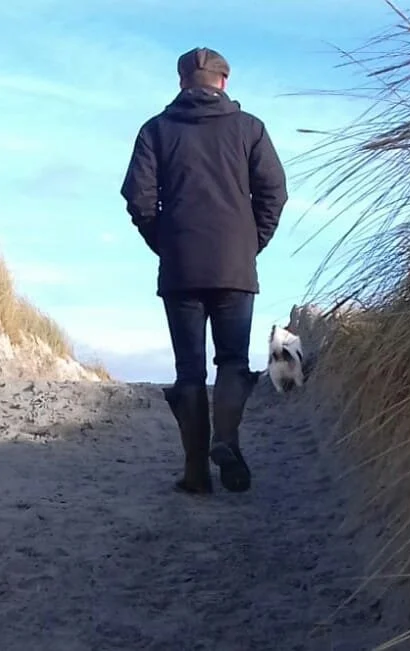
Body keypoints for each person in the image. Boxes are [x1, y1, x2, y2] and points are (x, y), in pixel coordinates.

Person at [119, 46, 289, 495]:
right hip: (235, 264)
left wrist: (167, 243)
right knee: (232, 361)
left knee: (189, 371)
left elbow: (138, 199)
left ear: (181, 83)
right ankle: (226, 441)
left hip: (180, 267)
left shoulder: (155, 130)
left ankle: (196, 474)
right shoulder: (250, 129)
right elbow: (274, 193)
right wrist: (252, 243)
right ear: (224, 82)